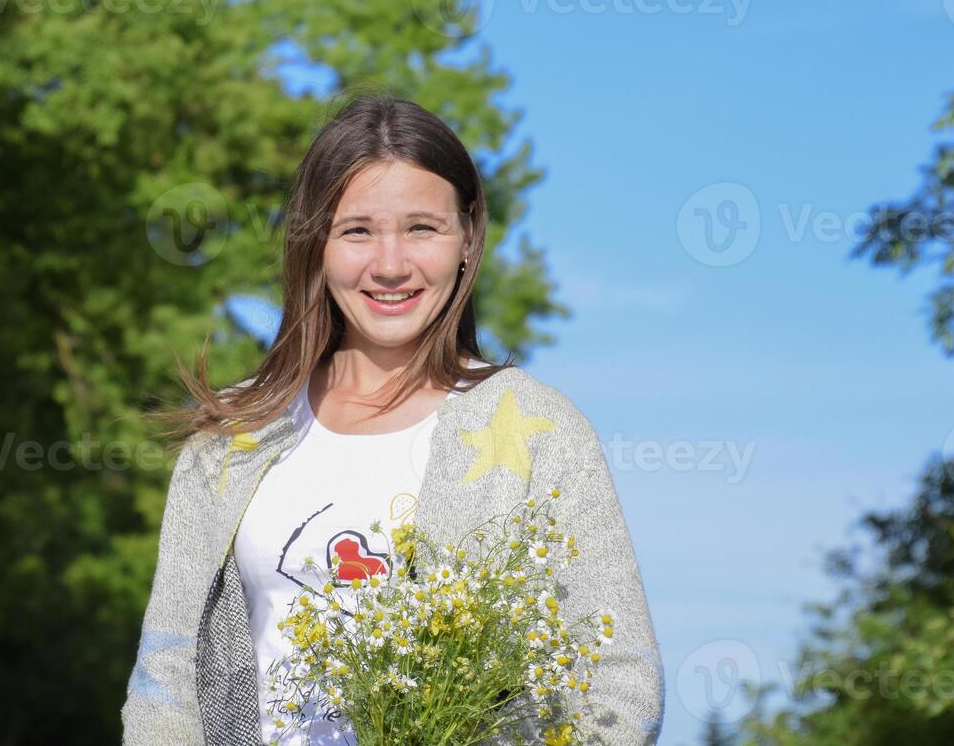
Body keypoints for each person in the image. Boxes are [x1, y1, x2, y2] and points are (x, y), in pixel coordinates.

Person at [121, 92, 665, 745]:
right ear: (316, 244)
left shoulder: (538, 429)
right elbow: (165, 680)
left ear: (466, 238)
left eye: (420, 228)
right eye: (356, 230)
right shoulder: (232, 438)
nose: (389, 265)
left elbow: (619, 679)